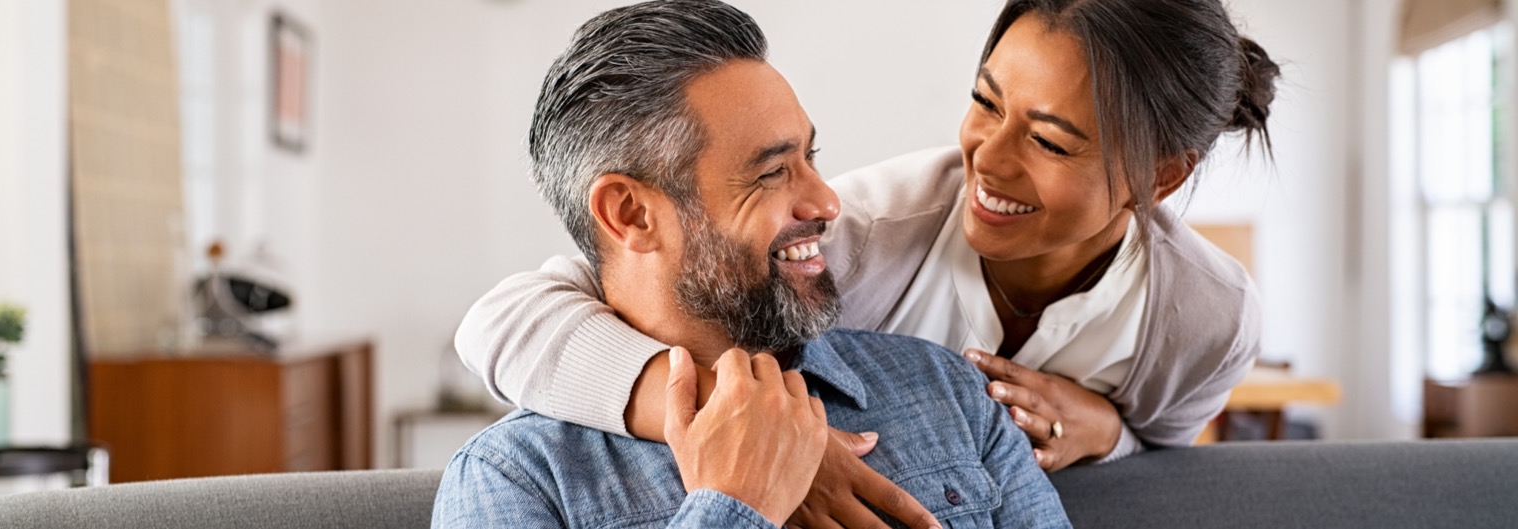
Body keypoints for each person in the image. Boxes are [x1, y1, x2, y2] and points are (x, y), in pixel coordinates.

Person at [458, 0, 1280, 521]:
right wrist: (735, 434)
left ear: (1158, 177)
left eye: (1050, 139)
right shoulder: (865, 233)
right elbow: (523, 314)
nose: (987, 161)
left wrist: (1108, 430)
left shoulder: (1203, 317)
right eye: (985, 102)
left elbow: (1161, 462)